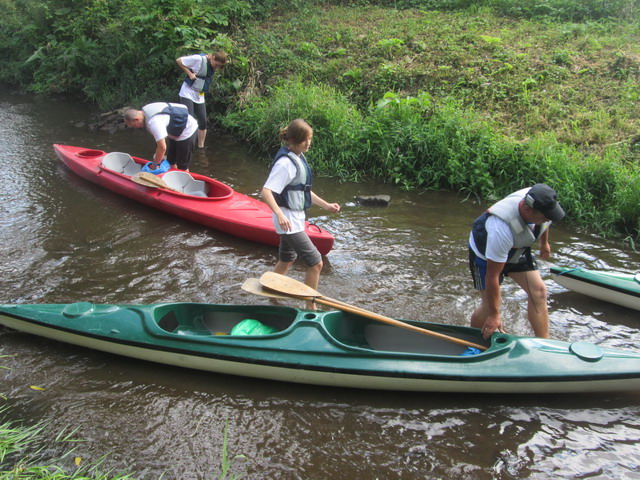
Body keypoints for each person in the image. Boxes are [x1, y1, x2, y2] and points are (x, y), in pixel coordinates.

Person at [468, 183, 565, 339]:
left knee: (539, 292)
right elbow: (492, 275)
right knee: (489, 307)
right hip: (486, 254)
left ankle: (544, 344)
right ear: (527, 210)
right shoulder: (500, 228)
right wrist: (495, 315)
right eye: (544, 217)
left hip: (517, 247)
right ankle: (472, 340)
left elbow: (545, 223)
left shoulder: (541, 200)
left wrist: (543, 243)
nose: (548, 219)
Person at [261, 119, 340, 310]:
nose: (309, 143)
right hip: (288, 222)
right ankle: (309, 306)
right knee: (316, 263)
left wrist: (326, 205)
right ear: (294, 140)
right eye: (305, 139)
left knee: (287, 259)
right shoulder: (285, 164)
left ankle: (271, 294)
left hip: (293, 219)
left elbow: (303, 191)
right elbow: (266, 191)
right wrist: (279, 215)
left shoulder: (297, 157)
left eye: (310, 138)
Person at [176, 51, 228, 149]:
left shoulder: (212, 66)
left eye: (219, 66)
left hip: (199, 95)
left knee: (203, 121)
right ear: (212, 58)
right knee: (189, 119)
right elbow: (179, 60)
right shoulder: (198, 59)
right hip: (187, 92)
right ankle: (185, 144)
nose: (216, 67)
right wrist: (190, 73)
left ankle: (201, 147)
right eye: (216, 65)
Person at [124, 103, 198, 171]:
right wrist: (158, 156)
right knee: (170, 161)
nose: (136, 128)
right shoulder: (144, 112)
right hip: (175, 130)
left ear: (137, 119)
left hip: (188, 130)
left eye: (134, 126)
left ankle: (182, 181)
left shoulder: (154, 122)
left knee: (182, 165)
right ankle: (172, 177)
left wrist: (155, 165)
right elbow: (159, 140)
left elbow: (162, 147)